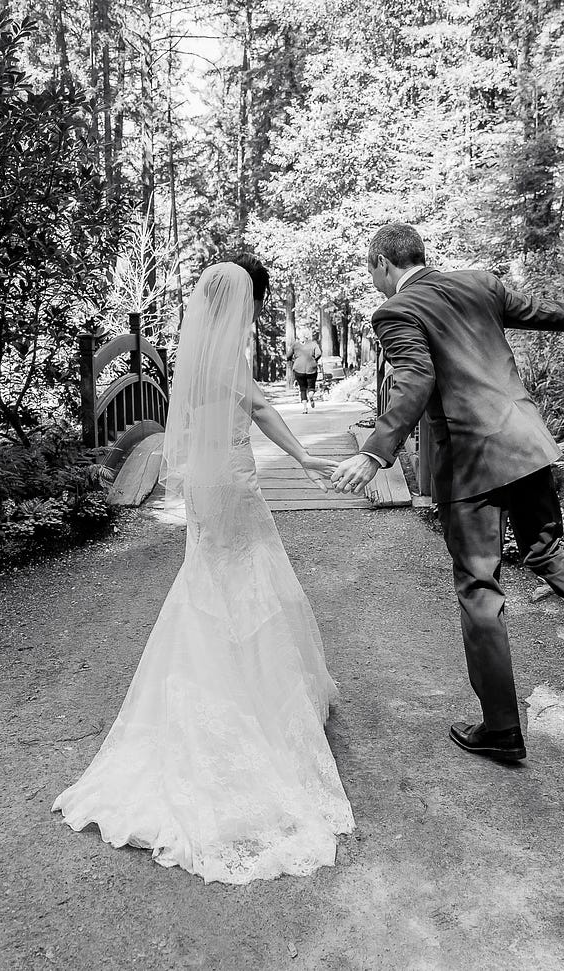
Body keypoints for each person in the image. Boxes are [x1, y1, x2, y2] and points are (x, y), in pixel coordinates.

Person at [329, 223, 564, 764]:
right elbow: (547, 311)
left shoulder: (395, 312)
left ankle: (500, 728)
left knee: (479, 588)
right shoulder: (479, 284)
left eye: (370, 270)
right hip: (527, 444)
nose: (372, 281)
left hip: (473, 462)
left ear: (382, 263)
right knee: (546, 552)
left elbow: (415, 381)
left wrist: (374, 452)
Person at [53, 258, 354, 883]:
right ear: (241, 302)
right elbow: (265, 410)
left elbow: (200, 425)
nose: (256, 310)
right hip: (235, 484)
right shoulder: (228, 358)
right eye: (254, 301)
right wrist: (305, 461)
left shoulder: (198, 356)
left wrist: (294, 460)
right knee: (247, 579)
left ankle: (232, 683)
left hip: (211, 486)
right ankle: (256, 700)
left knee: (214, 581)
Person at [287, 328, 323, 412]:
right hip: (311, 368)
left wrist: (292, 359)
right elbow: (319, 353)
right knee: (311, 386)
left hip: (298, 368)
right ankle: (311, 395)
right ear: (308, 336)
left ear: (299, 336)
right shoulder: (313, 344)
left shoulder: (295, 345)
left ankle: (305, 408)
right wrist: (314, 360)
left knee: (302, 388)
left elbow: (288, 356)